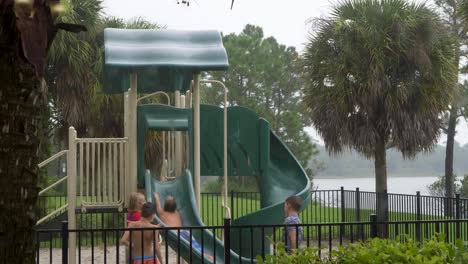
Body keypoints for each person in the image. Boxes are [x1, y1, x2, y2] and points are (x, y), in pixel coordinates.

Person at [153, 192, 213, 261]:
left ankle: (205, 256)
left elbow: (158, 204)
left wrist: (156, 197)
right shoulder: (176, 212)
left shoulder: (162, 213)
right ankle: (208, 256)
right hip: (186, 232)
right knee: (196, 246)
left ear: (165, 206)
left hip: (176, 235)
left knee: (192, 249)